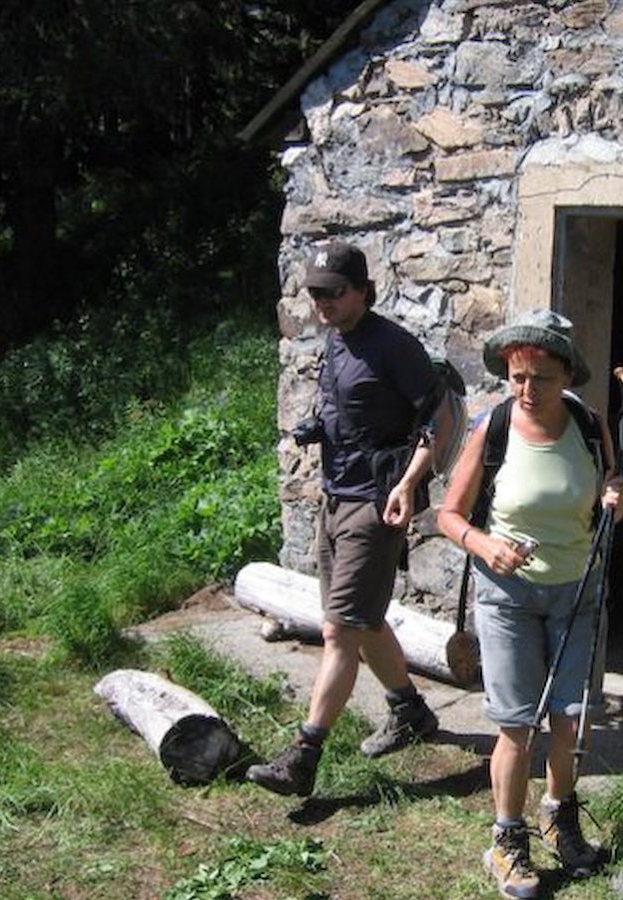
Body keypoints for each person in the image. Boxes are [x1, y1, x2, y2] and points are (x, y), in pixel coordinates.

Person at [436, 310, 623, 899]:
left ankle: (558, 817)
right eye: (516, 376)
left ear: (567, 375)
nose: (525, 389)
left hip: (580, 591)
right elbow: (449, 515)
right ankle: (506, 839)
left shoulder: (590, 426)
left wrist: (617, 496)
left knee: (572, 720)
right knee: (517, 724)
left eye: (540, 378)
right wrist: (485, 545)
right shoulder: (493, 428)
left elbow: (610, 499)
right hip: (509, 599)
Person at [246, 241, 439, 798]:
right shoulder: (336, 341)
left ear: (363, 291)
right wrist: (318, 427)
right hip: (334, 498)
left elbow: (440, 421)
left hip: (374, 503)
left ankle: (303, 757)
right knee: (363, 618)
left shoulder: (394, 346)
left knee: (339, 631)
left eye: (333, 292)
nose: (322, 302)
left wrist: (407, 484)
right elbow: (348, 407)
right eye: (315, 293)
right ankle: (411, 712)